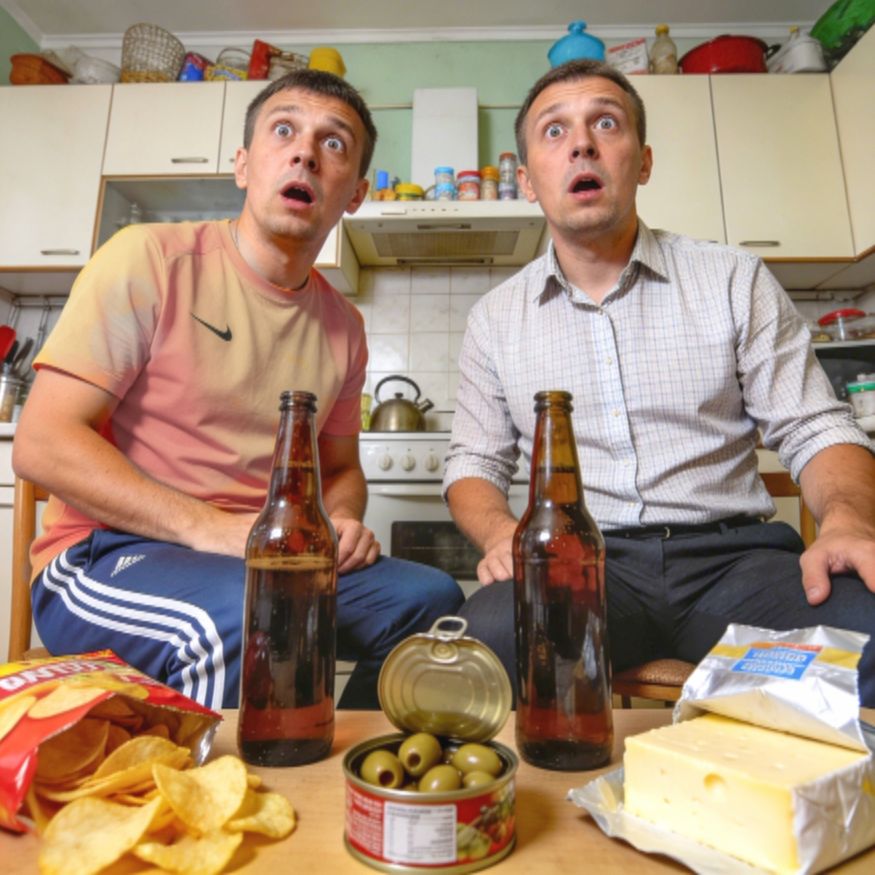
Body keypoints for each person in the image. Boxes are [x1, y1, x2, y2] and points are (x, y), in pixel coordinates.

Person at [13, 69, 464, 711]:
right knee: (250, 614)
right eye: (284, 131)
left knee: (431, 603)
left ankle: (328, 753)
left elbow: (339, 468)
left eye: (334, 143)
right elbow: (42, 442)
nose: (305, 153)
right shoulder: (147, 258)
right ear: (244, 165)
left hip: (263, 560)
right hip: (107, 553)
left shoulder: (344, 326)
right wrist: (214, 529)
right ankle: (230, 778)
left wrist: (340, 521)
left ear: (356, 194)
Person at [443, 60, 875, 706]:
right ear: (527, 180)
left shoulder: (732, 278)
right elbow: (474, 464)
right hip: (581, 565)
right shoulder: (495, 319)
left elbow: (813, 426)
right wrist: (501, 532)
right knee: (487, 643)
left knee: (865, 634)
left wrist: (846, 520)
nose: (581, 144)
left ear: (642, 162)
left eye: (605, 123)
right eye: (554, 131)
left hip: (736, 563)